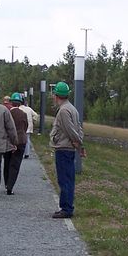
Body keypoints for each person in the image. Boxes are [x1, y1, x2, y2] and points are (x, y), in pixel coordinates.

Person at [49, 81, 84, 218]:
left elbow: (69, 129)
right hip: (68, 148)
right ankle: (66, 206)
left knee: (64, 179)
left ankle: (66, 208)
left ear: (56, 95)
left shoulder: (63, 110)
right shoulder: (72, 108)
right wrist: (80, 143)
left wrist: (78, 142)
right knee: (69, 178)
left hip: (64, 147)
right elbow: (79, 127)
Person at [3, 92, 29, 194]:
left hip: (9, 141)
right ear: (20, 103)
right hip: (21, 141)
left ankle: (6, 182)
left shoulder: (7, 113)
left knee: (7, 162)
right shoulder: (24, 114)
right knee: (15, 164)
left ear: (11, 103)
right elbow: (25, 127)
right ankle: (10, 186)